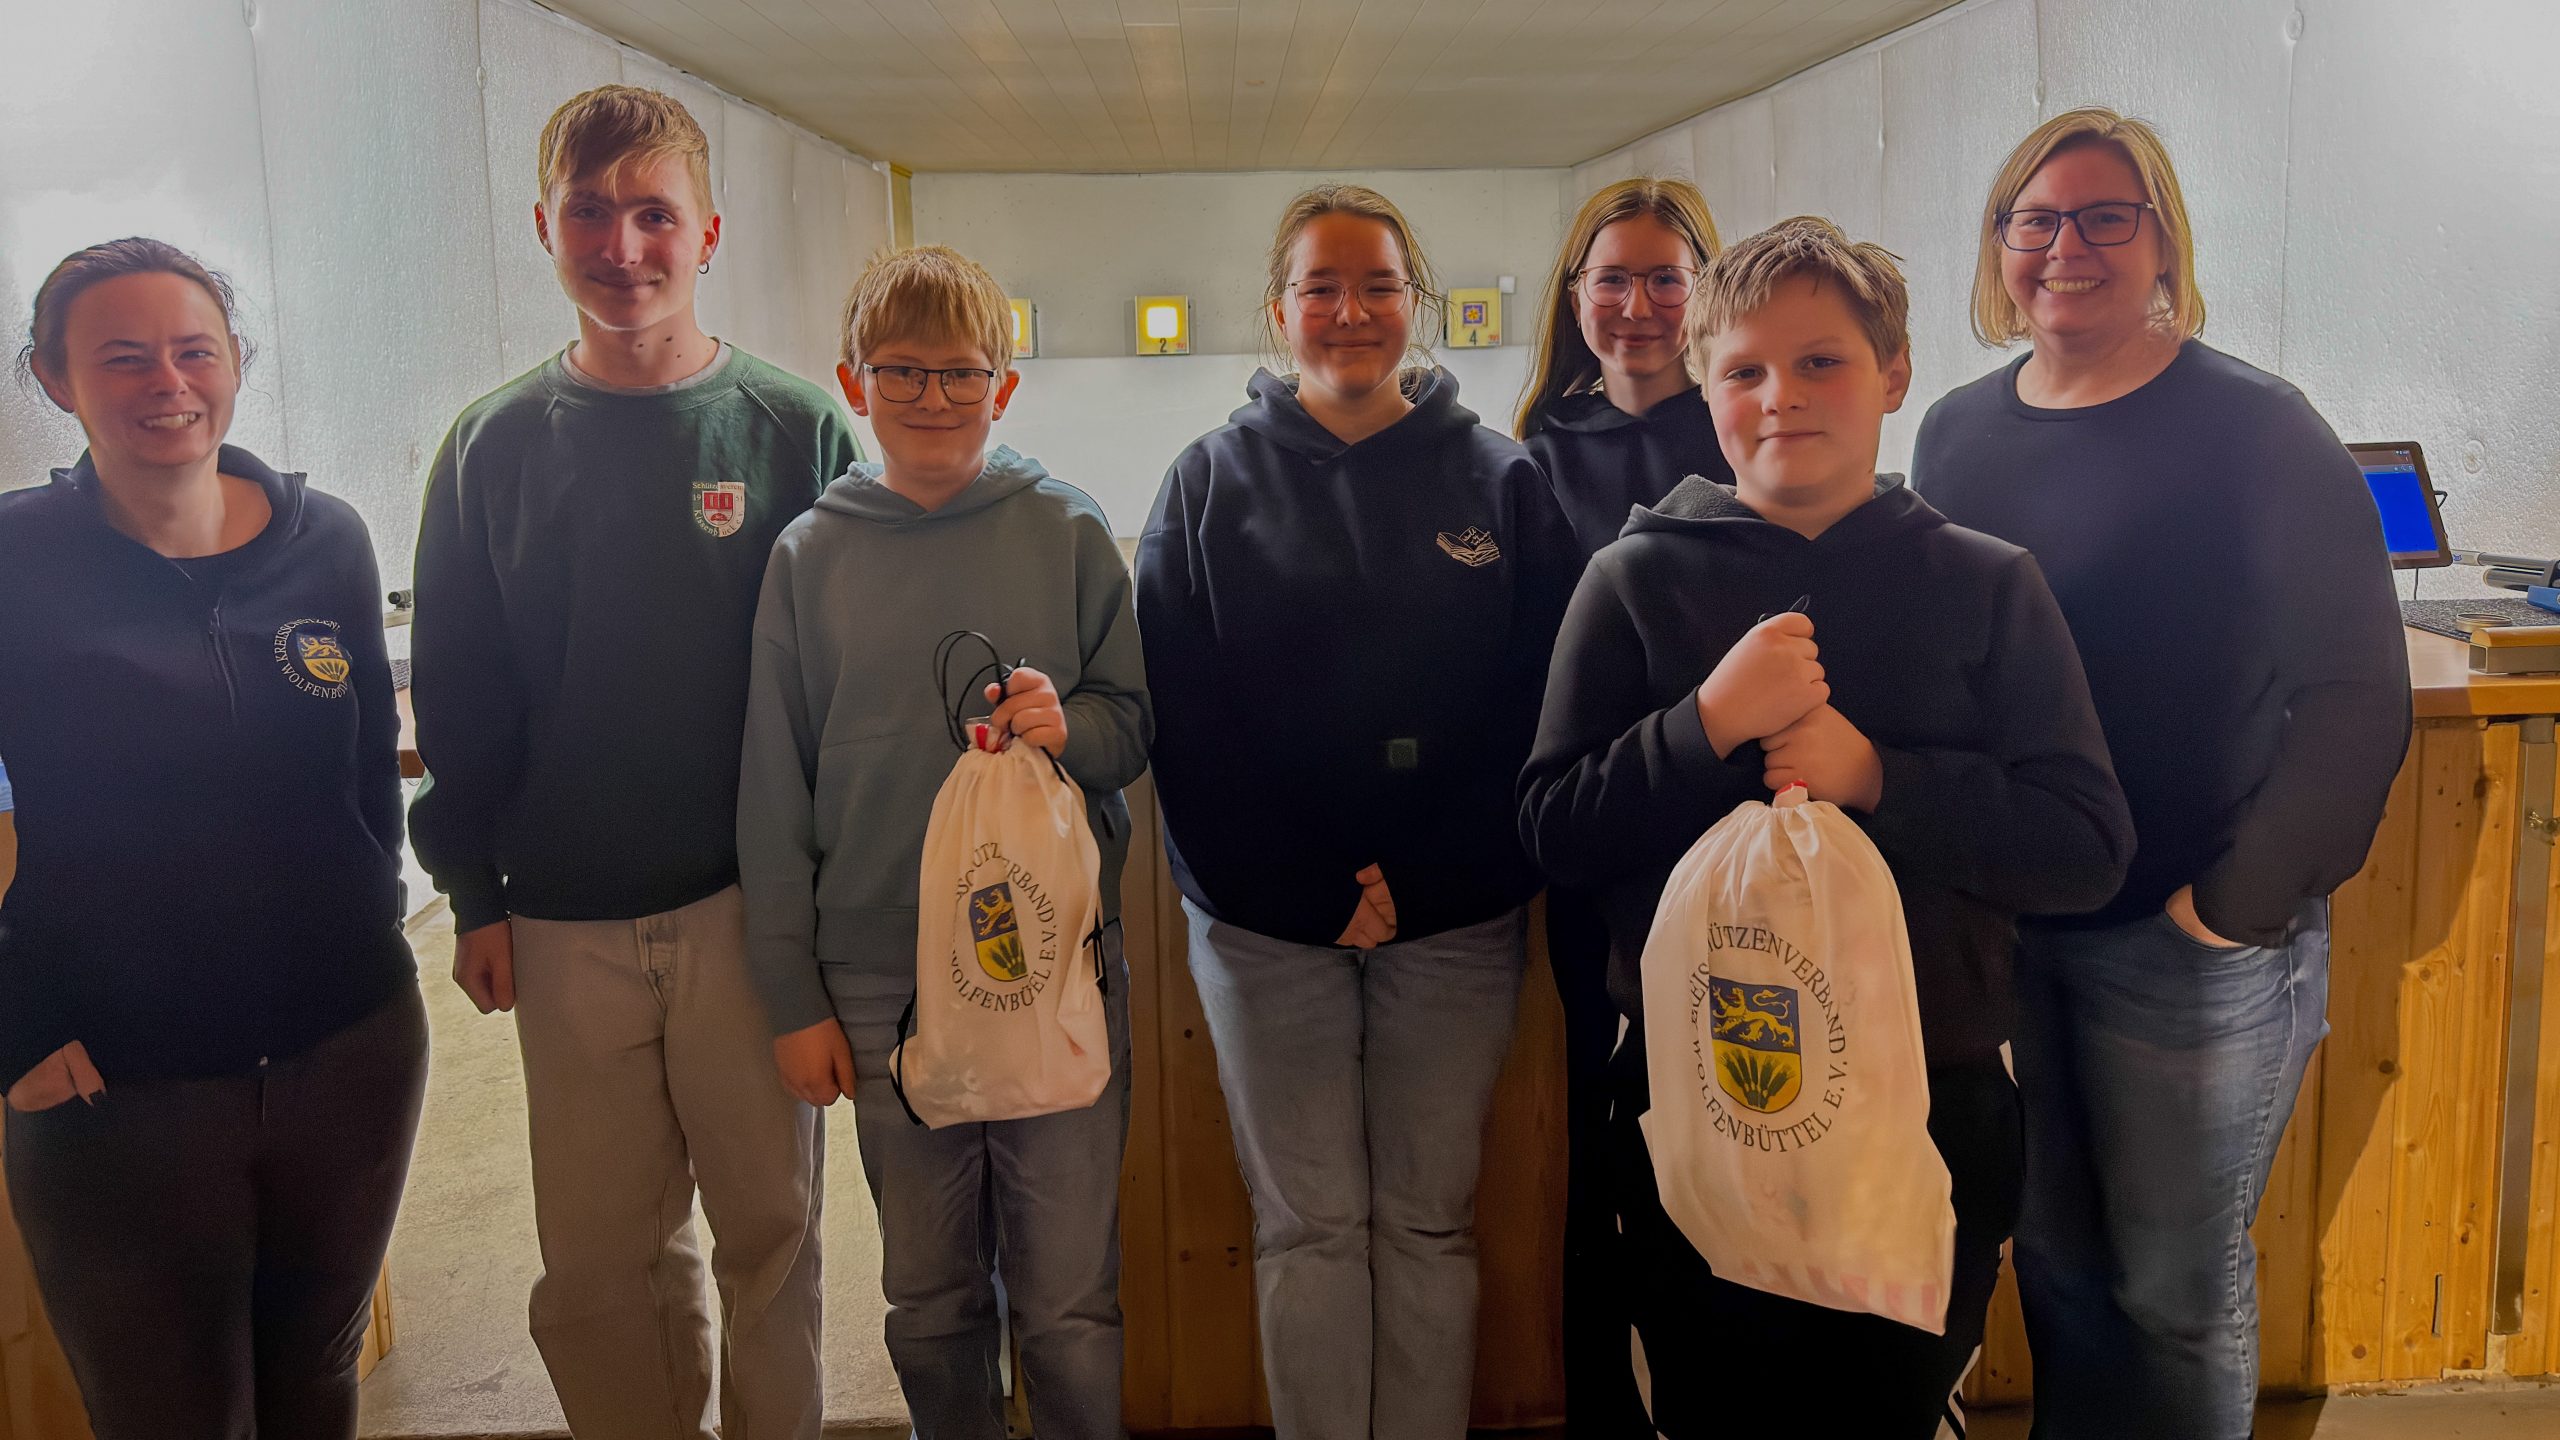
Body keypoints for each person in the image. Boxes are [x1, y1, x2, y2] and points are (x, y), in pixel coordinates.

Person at [1518, 216, 2135, 1437]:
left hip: (1930, 1098)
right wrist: (1700, 726)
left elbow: (2084, 845)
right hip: (1702, 1092)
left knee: (1888, 1408)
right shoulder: (1633, 580)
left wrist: (1877, 777)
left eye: (1820, 363)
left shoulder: (1986, 583)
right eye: (1743, 369)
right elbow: (1554, 829)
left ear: (1892, 374)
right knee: (1711, 1406)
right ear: (1703, 385)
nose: (1779, 398)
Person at [1910, 109, 2410, 1440]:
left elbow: (2355, 695)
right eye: (2035, 219)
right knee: (2058, 1265)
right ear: (1999, 246)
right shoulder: (1956, 435)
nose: (2065, 246)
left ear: (2162, 242)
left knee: (2174, 1295)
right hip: (2024, 930)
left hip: (2190, 945)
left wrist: (2231, 908)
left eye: (2104, 216)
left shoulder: (2256, 429)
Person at [409, 85, 858, 1440]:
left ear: (707, 232)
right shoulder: (490, 446)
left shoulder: (792, 430)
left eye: (654, 214)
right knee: (600, 1261)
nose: (623, 246)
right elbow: (462, 690)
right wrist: (473, 894)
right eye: (590, 213)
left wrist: (829, 908)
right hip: (561, 923)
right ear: (544, 228)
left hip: (749, 911)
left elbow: (841, 688)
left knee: (772, 1232)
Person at [1136, 183, 1580, 1440]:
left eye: (1378, 285)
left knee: (1429, 1222)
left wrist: (1422, 881)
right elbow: (1188, 721)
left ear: (1414, 303)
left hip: (1456, 923)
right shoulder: (1205, 483)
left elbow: (1537, 706)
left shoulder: (1502, 481)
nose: (1350, 311)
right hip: (1263, 928)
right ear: (1278, 310)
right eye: (1319, 287)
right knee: (1309, 1225)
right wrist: (1312, 888)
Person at [0, 237, 425, 1439]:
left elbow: (366, 769)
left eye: (194, 351)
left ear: (235, 361)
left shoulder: (326, 538)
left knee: (316, 1380)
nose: (168, 383)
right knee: (170, 1412)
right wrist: (12, 1021)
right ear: (53, 378)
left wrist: (378, 923)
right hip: (119, 1088)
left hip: (349, 1053)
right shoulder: (16, 560)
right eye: (122, 358)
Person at [736, 244, 1152, 1440]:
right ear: (851, 381)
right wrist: (791, 995)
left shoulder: (1066, 530)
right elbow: (772, 786)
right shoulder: (809, 555)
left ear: (1003, 387)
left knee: (1068, 1296)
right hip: (879, 980)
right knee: (927, 1295)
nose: (931, 396)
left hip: (1054, 967)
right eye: (901, 371)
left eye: (961, 372)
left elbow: (1130, 727)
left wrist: (1068, 725)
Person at [1512, 174, 1727, 1436]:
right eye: (1612, 279)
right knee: (1604, 1137)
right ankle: (1603, 1410)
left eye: (1663, 278)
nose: (1637, 305)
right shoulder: (1531, 456)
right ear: (1575, 296)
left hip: (1735, 844)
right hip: (1594, 847)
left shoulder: (1748, 422)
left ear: (1704, 291)